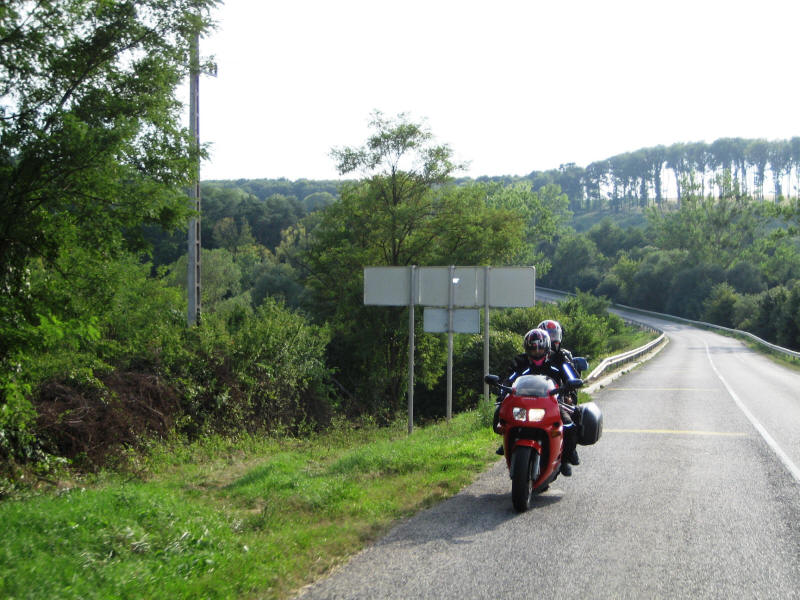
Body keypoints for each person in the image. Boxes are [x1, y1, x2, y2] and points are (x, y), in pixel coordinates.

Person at [493, 328, 580, 476]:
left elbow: (571, 375)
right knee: (500, 415)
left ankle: (565, 458)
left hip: (552, 403)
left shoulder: (558, 359)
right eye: (533, 348)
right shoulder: (520, 362)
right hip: (523, 402)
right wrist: (502, 393)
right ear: (527, 348)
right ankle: (507, 442)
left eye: (540, 348)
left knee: (569, 425)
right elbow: (508, 379)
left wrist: (571, 385)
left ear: (547, 347)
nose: (536, 351)